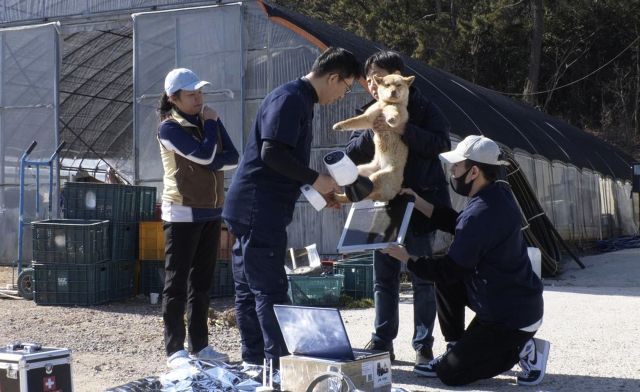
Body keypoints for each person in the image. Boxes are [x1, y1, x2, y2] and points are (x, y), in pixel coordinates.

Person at [222, 47, 362, 367]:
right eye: (346, 86)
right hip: (259, 209)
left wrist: (317, 192)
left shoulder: (298, 98)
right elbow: (272, 153)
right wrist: (317, 179)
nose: (343, 95)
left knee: (249, 291)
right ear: (333, 77)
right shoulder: (290, 100)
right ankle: (278, 365)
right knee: (270, 291)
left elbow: (284, 162)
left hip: (251, 206)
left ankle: (255, 362)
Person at [381, 135, 549, 386]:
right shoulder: (496, 196)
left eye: (456, 167)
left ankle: (522, 349)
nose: (452, 172)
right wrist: (418, 202)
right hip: (511, 300)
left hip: (512, 320)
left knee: (450, 374)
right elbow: (459, 224)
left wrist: (408, 259)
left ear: (474, 172)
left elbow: (450, 270)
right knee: (446, 283)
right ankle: (458, 346)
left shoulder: (482, 213)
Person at [344, 51, 451, 373]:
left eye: (381, 77)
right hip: (382, 204)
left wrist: (405, 128)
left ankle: (423, 346)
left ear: (400, 78)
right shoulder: (369, 110)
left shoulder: (423, 107)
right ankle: (381, 341)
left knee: (422, 277)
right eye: (371, 80)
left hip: (419, 202)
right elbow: (350, 153)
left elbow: (441, 145)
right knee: (384, 279)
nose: (376, 86)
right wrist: (370, 128)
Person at [157, 68, 239, 368]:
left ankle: (201, 345)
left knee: (202, 283)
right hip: (182, 213)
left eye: (200, 93)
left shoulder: (206, 121)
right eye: (191, 94)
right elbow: (208, 157)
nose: (198, 98)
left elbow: (233, 156)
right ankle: (175, 350)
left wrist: (211, 149)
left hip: (212, 210)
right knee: (177, 282)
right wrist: (212, 131)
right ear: (174, 98)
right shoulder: (170, 128)